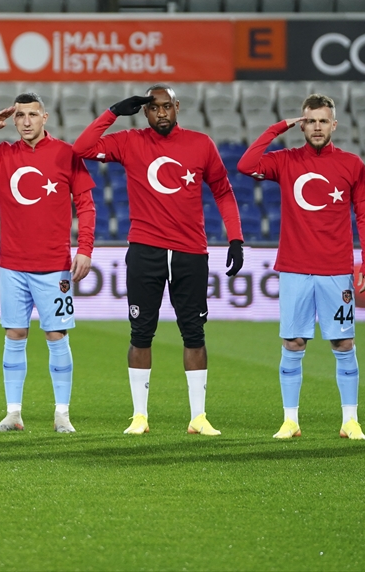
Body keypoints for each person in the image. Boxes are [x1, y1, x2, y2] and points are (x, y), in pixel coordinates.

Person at [73, 86, 243, 437]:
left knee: (194, 334)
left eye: (167, 107)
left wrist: (236, 238)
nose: (161, 113)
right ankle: (139, 417)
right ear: (145, 113)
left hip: (190, 252)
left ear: (177, 107)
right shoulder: (130, 140)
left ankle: (198, 417)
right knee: (141, 334)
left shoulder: (201, 144)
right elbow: (82, 148)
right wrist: (113, 112)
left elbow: (224, 192)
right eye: (153, 108)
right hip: (145, 251)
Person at [0, 93, 94, 434]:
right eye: (20, 116)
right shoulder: (1, 154)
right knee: (14, 334)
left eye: (32, 114)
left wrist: (84, 247)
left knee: (56, 335)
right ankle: (13, 414)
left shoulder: (65, 154)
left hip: (54, 266)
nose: (26, 121)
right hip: (12, 265)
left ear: (45, 117)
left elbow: (86, 203)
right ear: (12, 122)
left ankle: (62, 414)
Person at [238, 94, 365, 441]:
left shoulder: (351, 164)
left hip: (336, 270)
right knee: (294, 341)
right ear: (302, 124)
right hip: (295, 268)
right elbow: (245, 164)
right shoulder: (285, 160)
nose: (317, 127)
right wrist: (277, 127)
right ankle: (290, 421)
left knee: (343, 344)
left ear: (334, 124)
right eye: (310, 120)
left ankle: (350, 421)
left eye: (322, 120)